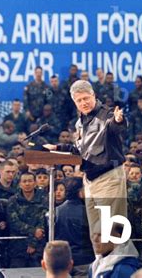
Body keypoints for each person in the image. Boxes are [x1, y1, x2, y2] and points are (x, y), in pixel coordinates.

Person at [44, 80, 128, 237]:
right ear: (75, 102)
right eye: (79, 100)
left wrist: (119, 120)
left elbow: (116, 125)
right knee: (96, 229)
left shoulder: (107, 114)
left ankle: (117, 261)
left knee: (111, 226)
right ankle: (100, 259)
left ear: (93, 95)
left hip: (109, 177)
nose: (83, 103)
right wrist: (57, 148)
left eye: (86, 98)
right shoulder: (80, 122)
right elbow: (82, 150)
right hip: (89, 179)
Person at [55, 177, 94, 277]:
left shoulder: (56, 211)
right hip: (84, 259)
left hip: (63, 259)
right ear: (80, 192)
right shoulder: (88, 212)